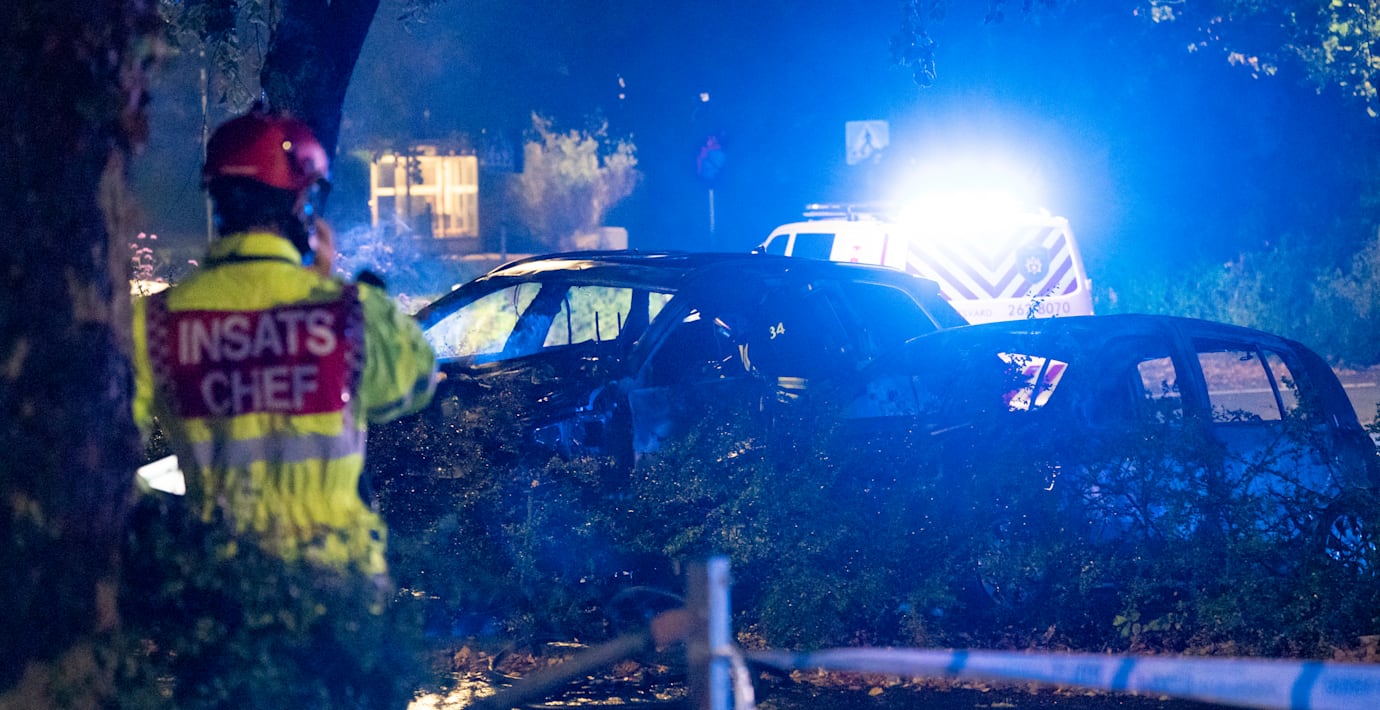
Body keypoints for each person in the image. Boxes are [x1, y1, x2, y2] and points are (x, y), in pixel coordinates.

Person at [128, 108, 437, 706]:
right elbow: (415, 382)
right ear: (302, 204)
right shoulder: (346, 312)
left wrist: (170, 536)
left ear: (219, 201)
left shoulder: (156, 323)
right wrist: (345, 289)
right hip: (338, 591)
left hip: (224, 591)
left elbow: (100, 456)